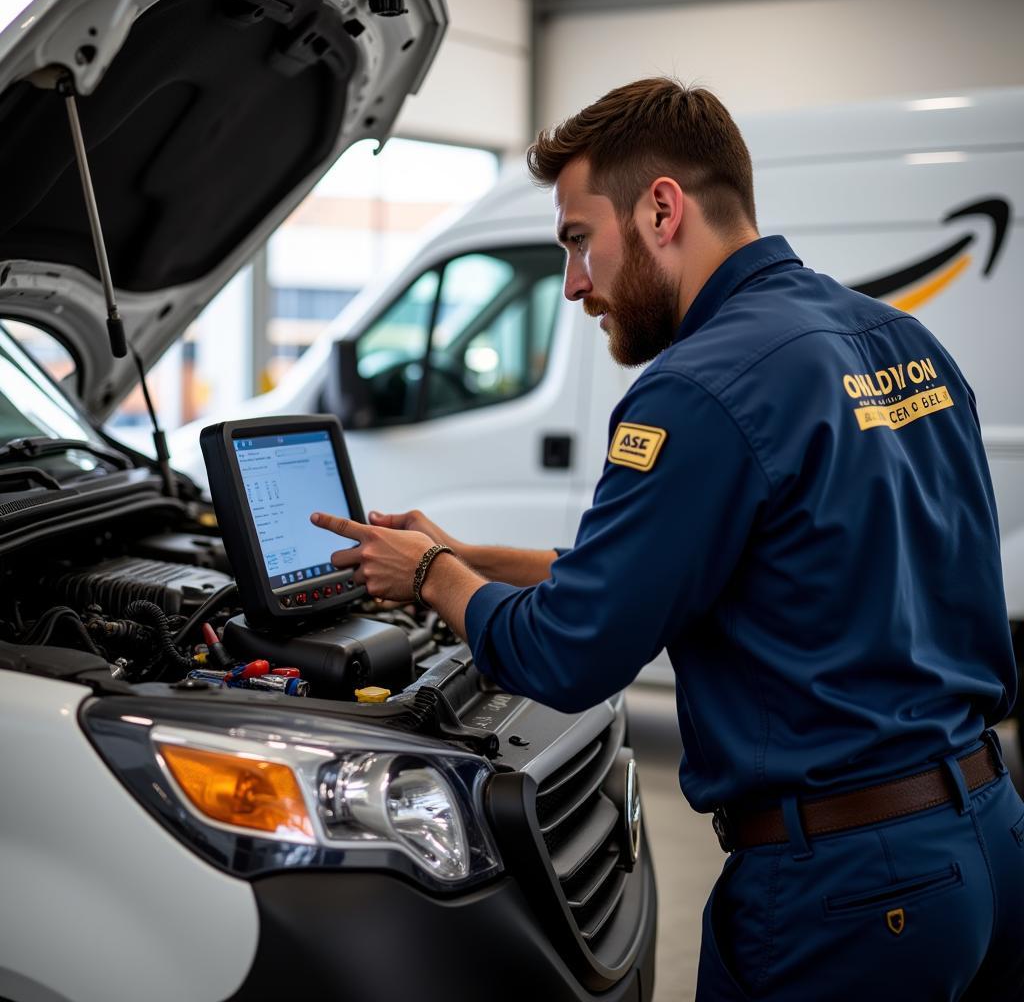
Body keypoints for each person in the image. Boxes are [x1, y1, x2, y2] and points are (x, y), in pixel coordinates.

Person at [310, 78, 1024, 1000]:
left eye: (577, 240)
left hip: (850, 892)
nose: (574, 285)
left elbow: (570, 652)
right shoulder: (899, 340)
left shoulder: (699, 386)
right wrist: (466, 560)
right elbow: (715, 570)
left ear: (659, 208)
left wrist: (437, 578)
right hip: (991, 840)